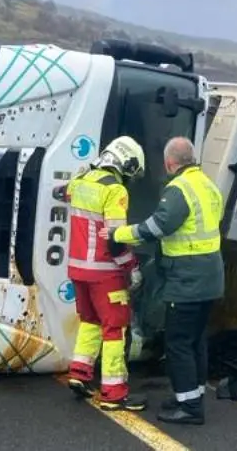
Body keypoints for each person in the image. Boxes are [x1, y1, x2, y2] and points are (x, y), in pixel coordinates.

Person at [103, 136, 224, 426]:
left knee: (178, 342)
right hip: (210, 278)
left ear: (170, 163)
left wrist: (117, 234)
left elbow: (157, 226)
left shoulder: (179, 189)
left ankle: (190, 409)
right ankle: (190, 397)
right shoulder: (208, 186)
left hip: (187, 280)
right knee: (195, 341)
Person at [58, 135, 149, 412]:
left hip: (77, 269)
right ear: (125, 163)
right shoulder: (116, 190)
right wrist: (131, 267)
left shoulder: (81, 181)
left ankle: (80, 373)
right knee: (114, 328)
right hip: (104, 272)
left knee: (90, 320)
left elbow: (64, 192)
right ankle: (114, 392)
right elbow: (114, 238)